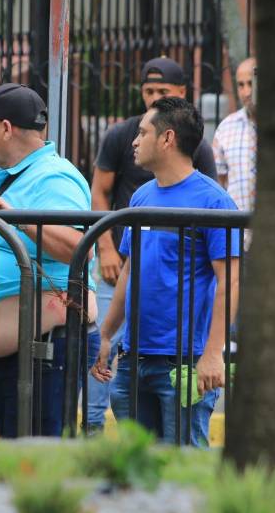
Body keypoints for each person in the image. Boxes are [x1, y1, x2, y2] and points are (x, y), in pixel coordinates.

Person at [91, 96, 242, 447]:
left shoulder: (214, 202)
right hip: (133, 361)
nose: (134, 140)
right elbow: (129, 271)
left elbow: (230, 280)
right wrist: (107, 335)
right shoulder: (142, 197)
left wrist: (212, 354)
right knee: (134, 469)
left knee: (183, 469)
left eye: (143, 132)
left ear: (167, 139)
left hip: (184, 364)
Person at [0, 83, 95, 438]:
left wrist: (18, 216)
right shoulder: (17, 175)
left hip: (43, 352)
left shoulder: (53, 175)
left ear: (6, 128)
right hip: (19, 351)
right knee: (18, 449)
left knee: (38, 451)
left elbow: (79, 247)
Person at [212, 57, 257, 211]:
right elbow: (219, 184)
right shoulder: (226, 128)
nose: (246, 92)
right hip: (238, 230)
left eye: (251, 83)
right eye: (240, 85)